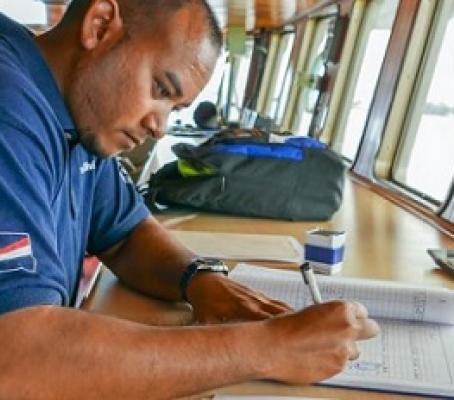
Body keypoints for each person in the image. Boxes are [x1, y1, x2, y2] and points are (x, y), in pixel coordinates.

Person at [0, 0, 379, 399]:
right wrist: (268, 347)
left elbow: (125, 234)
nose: (160, 127)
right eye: (161, 89)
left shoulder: (79, 114)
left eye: (175, 108)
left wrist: (200, 280)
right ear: (98, 25)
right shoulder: (10, 106)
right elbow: (16, 358)